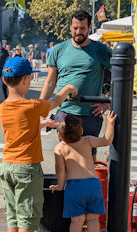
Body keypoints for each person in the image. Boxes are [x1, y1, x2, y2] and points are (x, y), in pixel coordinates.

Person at [0, 56, 78, 232]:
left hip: (8, 166)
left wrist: (42, 125)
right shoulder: (32, 105)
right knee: (27, 220)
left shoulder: (4, 108)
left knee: (13, 217)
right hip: (27, 169)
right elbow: (54, 101)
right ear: (26, 80)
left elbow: (20, 125)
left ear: (4, 80)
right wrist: (67, 89)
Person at [40, 9, 112, 161]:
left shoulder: (101, 50)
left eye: (83, 28)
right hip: (65, 112)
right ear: (70, 27)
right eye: (75, 28)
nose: (78, 32)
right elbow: (50, 81)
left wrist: (107, 103)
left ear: (89, 28)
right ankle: (65, 185)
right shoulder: (59, 50)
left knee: (88, 158)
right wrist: (40, 106)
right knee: (66, 156)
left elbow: (120, 78)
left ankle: (88, 184)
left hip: (90, 113)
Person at [49, 112, 116, 232]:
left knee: (76, 220)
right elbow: (106, 140)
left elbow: (60, 169)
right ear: (81, 130)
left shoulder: (60, 148)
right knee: (93, 219)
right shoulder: (87, 140)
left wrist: (60, 185)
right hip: (93, 184)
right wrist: (110, 124)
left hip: (74, 187)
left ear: (60, 134)